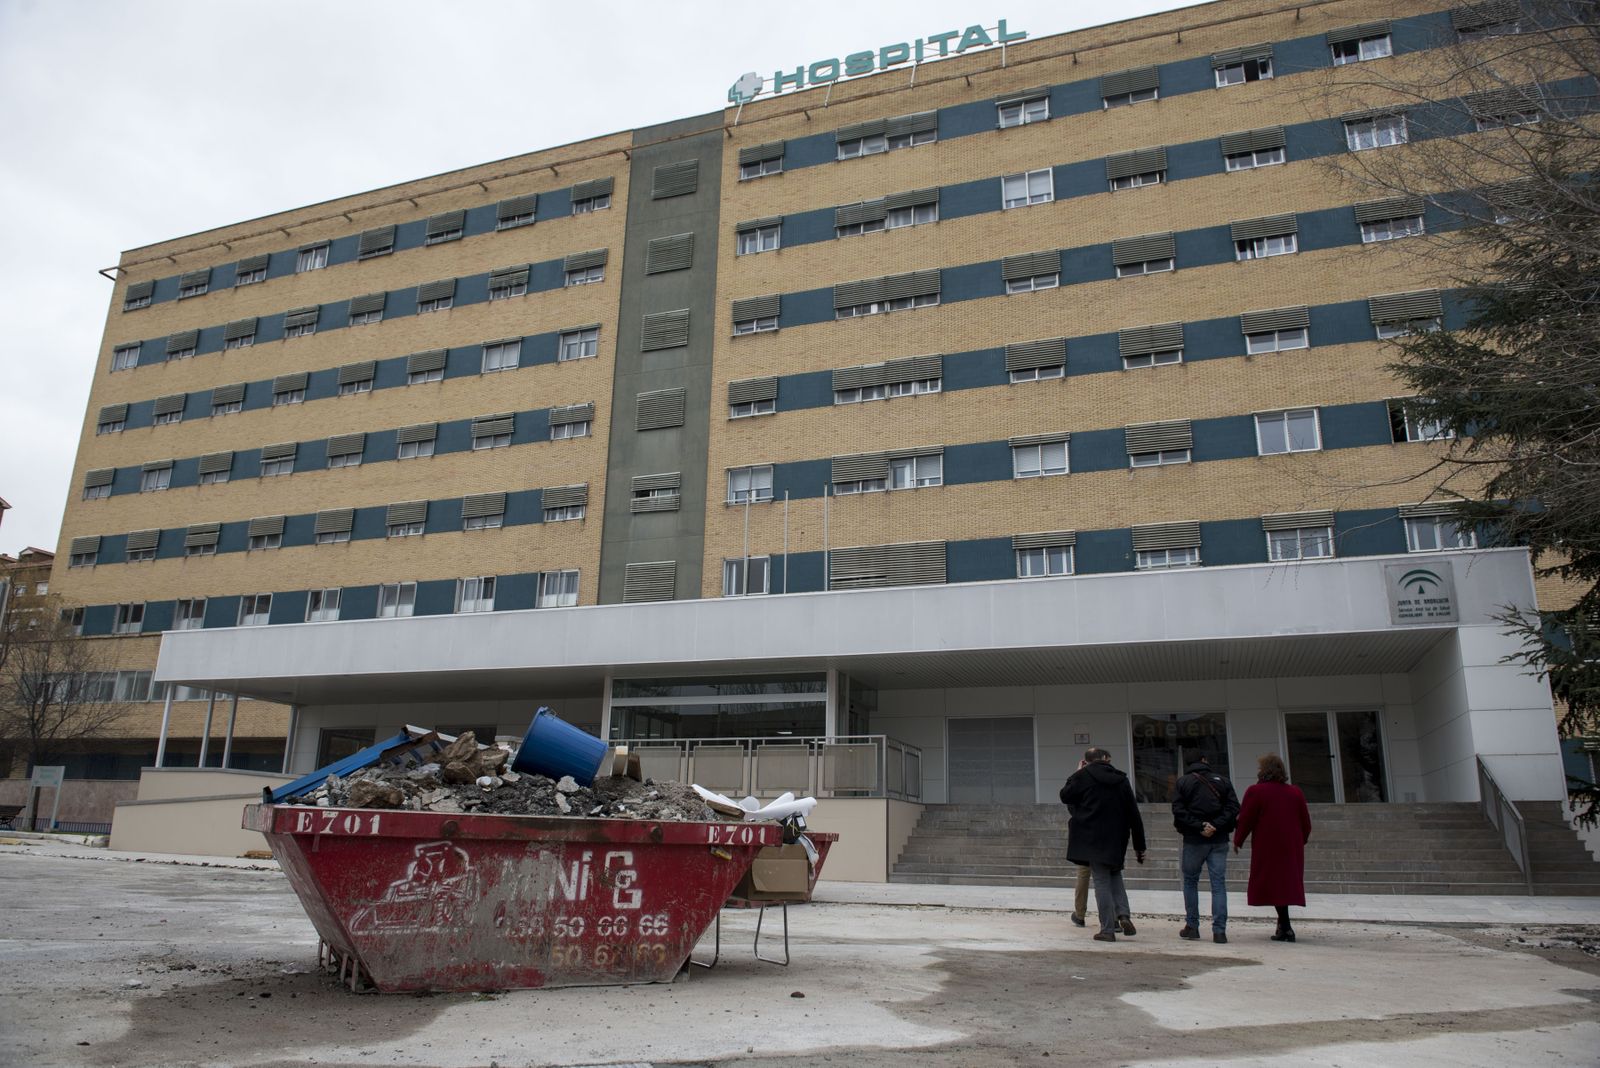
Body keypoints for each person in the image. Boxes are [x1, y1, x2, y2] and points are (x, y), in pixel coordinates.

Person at [1060, 748, 1146, 942]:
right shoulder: (1121, 779)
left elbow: (1065, 795)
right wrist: (1140, 846)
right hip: (1117, 838)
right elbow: (1134, 814)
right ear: (1106, 760)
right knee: (1115, 875)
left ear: (1087, 762)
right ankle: (1123, 914)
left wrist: (1076, 772)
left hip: (1092, 838)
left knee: (1101, 882)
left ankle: (1107, 928)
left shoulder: (1083, 776)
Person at [1232, 753, 1312, 942]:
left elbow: (1246, 818)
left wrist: (1238, 839)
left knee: (1273, 883)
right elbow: (1305, 822)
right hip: (1291, 845)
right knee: (1283, 884)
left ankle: (1285, 926)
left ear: (1264, 771)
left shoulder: (1256, 791)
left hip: (1268, 845)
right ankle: (1284, 926)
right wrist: (1301, 840)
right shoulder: (1295, 792)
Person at [1170, 753, 1240, 944]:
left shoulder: (1183, 783)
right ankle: (1219, 931)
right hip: (1218, 839)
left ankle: (1192, 926)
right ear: (1205, 761)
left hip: (1194, 839)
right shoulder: (1223, 781)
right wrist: (1215, 825)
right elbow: (1233, 807)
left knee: (1190, 881)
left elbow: (1178, 810)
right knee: (1218, 884)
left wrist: (1200, 826)